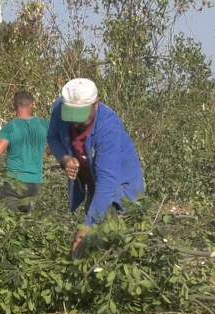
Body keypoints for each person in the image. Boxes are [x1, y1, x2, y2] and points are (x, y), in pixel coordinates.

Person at [47, 78, 145, 255]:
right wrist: (65, 158)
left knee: (105, 240)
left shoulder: (108, 127)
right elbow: (52, 137)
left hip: (119, 188)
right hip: (94, 184)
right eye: (71, 116)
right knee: (89, 237)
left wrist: (87, 228)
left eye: (80, 118)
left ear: (95, 104)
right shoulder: (60, 109)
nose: (75, 123)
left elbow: (108, 182)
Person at [0, 91, 50, 213]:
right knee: (26, 224)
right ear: (33, 105)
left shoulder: (10, 127)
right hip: (34, 183)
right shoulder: (44, 125)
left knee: (7, 222)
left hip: (14, 183)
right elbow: (55, 147)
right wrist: (45, 153)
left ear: (14, 106)